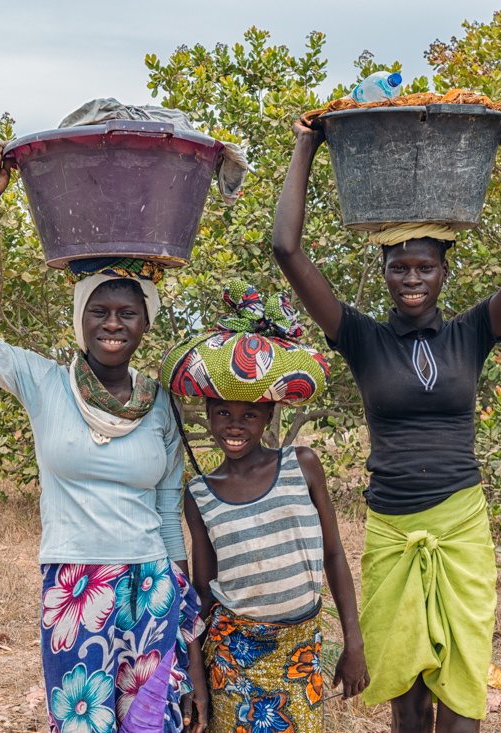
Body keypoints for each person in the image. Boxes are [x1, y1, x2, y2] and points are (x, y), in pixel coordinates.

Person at [270, 113, 501, 733]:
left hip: (460, 526)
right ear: (385, 271)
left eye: (425, 268)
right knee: (407, 700)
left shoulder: (474, 332)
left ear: (443, 273)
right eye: (399, 267)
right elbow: (287, 250)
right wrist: (307, 144)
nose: (411, 280)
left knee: (461, 699)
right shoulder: (361, 337)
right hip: (391, 529)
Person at [0, 143, 207, 733]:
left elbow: (170, 517)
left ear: (145, 322)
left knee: (153, 725)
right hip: (74, 585)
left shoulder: (162, 404)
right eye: (100, 311)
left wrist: (188, 643)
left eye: (128, 312)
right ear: (80, 318)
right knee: (83, 724)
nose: (113, 325)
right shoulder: (42, 383)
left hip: (151, 584)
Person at [160, 280, 369, 733]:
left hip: (301, 647)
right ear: (207, 416)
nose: (233, 427)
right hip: (235, 655)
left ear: (269, 417)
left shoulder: (303, 465)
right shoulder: (200, 494)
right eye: (222, 414)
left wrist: (354, 643)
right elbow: (203, 590)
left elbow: (334, 556)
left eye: (248, 415)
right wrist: (196, 675)